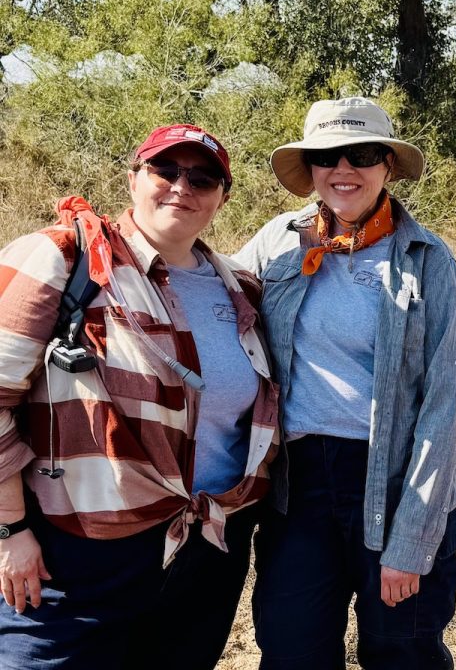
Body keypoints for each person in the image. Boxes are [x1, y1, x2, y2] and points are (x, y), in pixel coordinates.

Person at [0, 123, 279, 670]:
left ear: (222, 197)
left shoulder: (240, 288)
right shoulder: (62, 259)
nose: (182, 186)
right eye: (165, 170)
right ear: (133, 179)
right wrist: (10, 530)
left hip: (209, 545)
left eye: (202, 178)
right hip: (80, 548)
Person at [234, 96, 456, 670]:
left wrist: (412, 538)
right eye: (326, 156)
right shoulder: (277, 242)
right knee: (293, 650)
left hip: (395, 483)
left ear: (387, 165)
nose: (344, 169)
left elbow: (446, 404)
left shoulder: (427, 259)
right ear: (311, 169)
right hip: (299, 486)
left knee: (402, 651)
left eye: (361, 153)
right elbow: (207, 294)